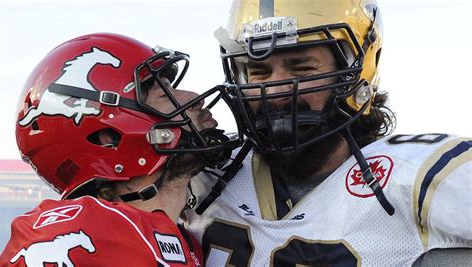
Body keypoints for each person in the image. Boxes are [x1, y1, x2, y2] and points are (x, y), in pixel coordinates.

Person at [184, 0, 472, 266]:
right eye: (259, 72)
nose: (275, 91)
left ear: (354, 71)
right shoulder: (200, 177)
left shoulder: (417, 175)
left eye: (302, 67)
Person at [0, 33, 241, 266]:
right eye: (164, 94)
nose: (195, 97)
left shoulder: (183, 242)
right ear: (109, 138)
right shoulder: (84, 231)